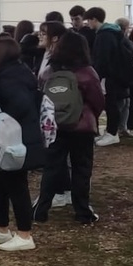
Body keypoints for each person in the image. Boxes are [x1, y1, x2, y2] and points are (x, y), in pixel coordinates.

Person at [36, 31, 105, 224]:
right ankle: (82, 211)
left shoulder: (49, 72)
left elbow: (42, 95)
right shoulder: (87, 72)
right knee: (81, 169)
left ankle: (41, 209)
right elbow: (98, 100)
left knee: (52, 168)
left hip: (55, 125)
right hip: (81, 127)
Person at [0, 38, 44, 252]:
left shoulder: (8, 78)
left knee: (17, 185)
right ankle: (2, 228)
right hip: (12, 137)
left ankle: (24, 234)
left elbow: (19, 105)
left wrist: (0, 115)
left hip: (15, 139)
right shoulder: (20, 72)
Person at [85, 7, 133, 147]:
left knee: (111, 104)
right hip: (117, 74)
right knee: (112, 104)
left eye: (88, 20)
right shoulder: (115, 32)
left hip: (109, 76)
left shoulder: (104, 35)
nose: (88, 24)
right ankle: (110, 131)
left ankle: (112, 133)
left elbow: (102, 58)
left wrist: (97, 75)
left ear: (94, 19)